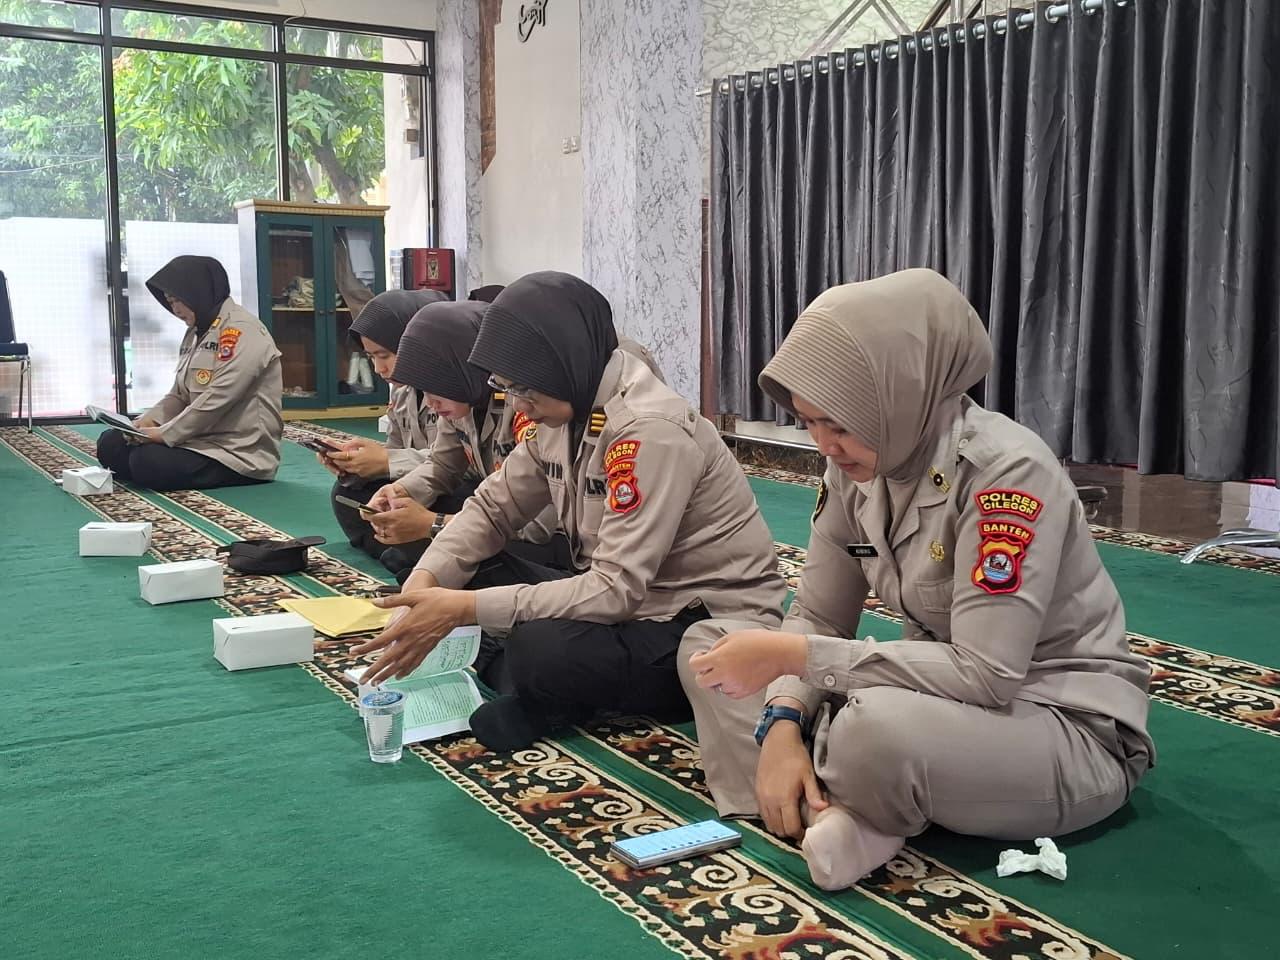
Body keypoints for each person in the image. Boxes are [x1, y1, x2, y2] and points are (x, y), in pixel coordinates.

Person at [681, 269, 1156, 890]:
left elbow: (987, 674)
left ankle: (842, 801)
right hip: (937, 699)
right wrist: (783, 723)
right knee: (709, 646)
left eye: (839, 424)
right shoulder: (857, 467)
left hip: (1054, 723)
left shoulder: (1005, 473)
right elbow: (819, 615)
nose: (824, 445)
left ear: (900, 395)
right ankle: (836, 801)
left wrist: (794, 661)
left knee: (871, 730)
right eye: (809, 422)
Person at [353, 271, 786, 752]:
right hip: (624, 603)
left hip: (693, 622)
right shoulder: (566, 406)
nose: (520, 406)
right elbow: (493, 508)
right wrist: (423, 587)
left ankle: (551, 693)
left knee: (541, 648)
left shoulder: (649, 431)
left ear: (562, 362)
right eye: (509, 389)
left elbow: (615, 590)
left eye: (524, 390)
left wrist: (464, 609)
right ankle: (543, 688)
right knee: (459, 571)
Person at [361, 299, 562, 581]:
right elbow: (443, 465)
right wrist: (401, 492)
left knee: (448, 558)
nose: (430, 402)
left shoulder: (527, 405)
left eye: (435, 386)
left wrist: (432, 524)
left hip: (544, 533)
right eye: (423, 390)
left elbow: (538, 525)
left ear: (465, 367)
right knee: (369, 503)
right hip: (494, 507)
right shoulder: (460, 398)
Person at [96, 256, 283, 491]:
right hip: (197, 440)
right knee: (111, 443)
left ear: (198, 292)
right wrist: (148, 421)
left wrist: (164, 433)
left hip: (237, 451)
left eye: (178, 300)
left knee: (148, 462)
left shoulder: (243, 331)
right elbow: (179, 394)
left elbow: (218, 398)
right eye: (170, 302)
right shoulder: (197, 331)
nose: (175, 310)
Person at [320, 289, 450, 558]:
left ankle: (407, 551)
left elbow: (461, 466)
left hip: (448, 490)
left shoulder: (456, 391)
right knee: (348, 492)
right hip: (417, 483)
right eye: (371, 357)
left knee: (458, 500)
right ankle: (404, 549)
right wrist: (358, 465)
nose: (379, 369)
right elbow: (396, 451)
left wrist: (387, 462)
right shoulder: (402, 392)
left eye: (385, 355)